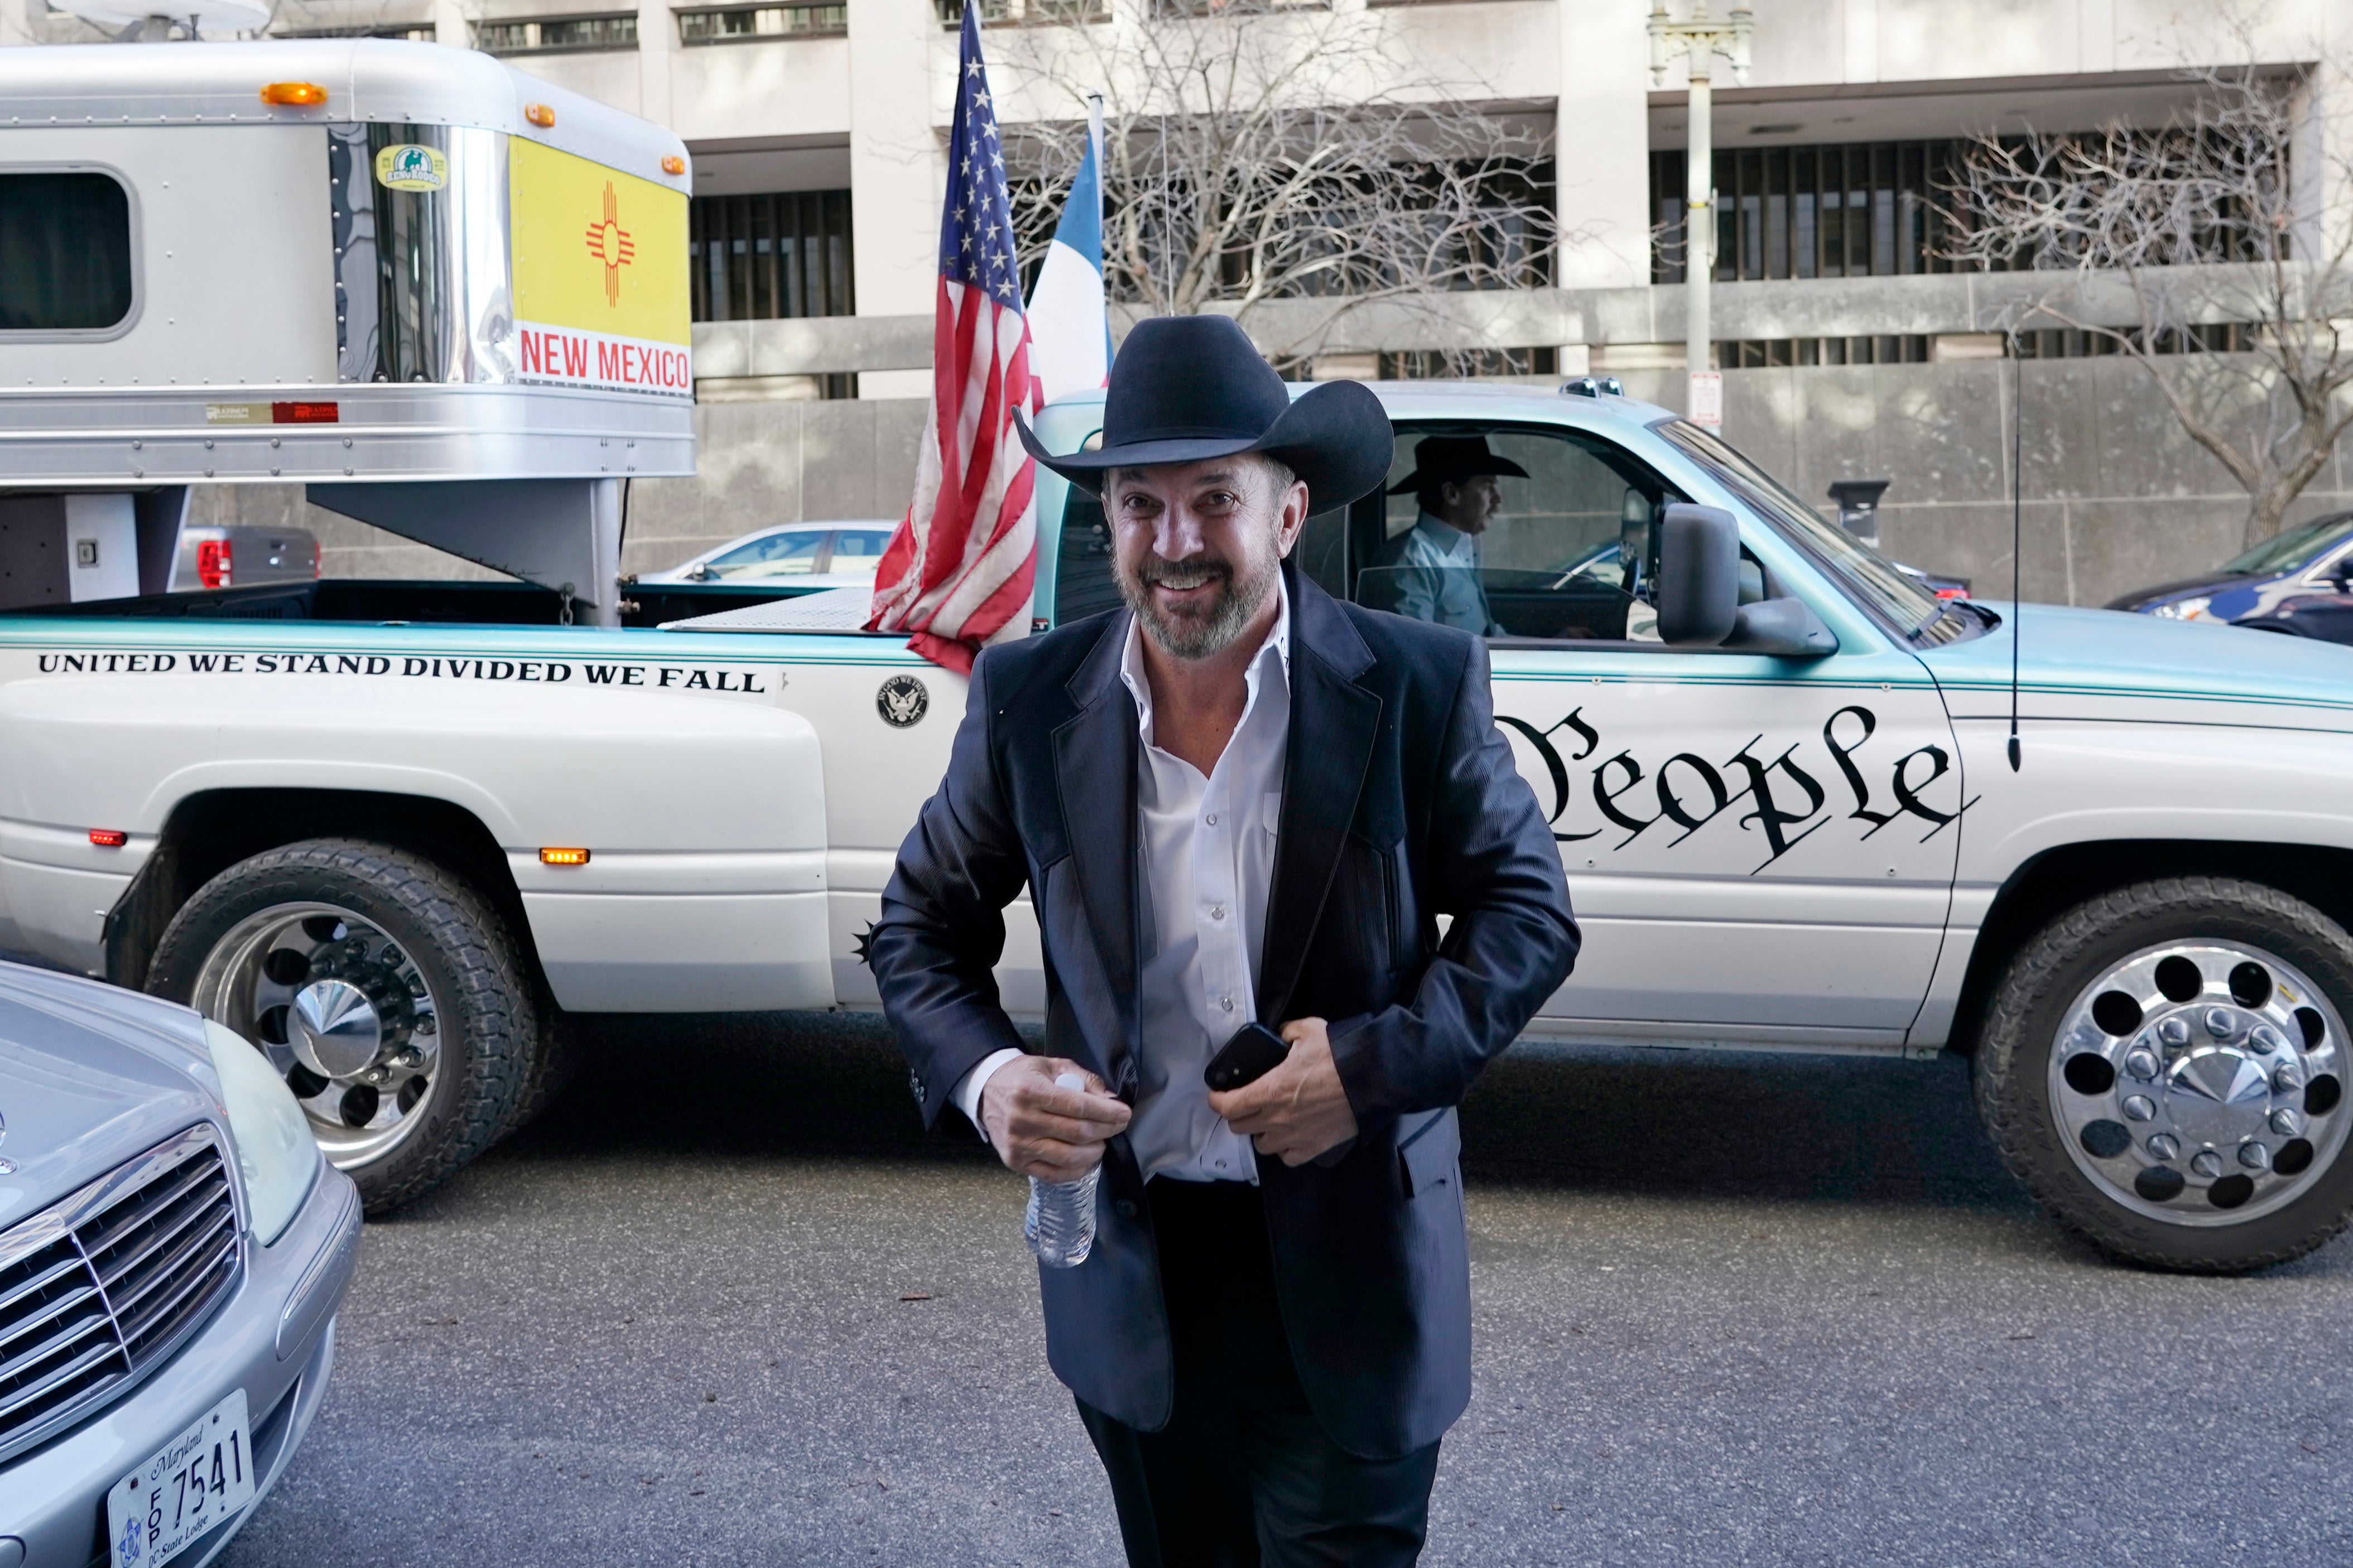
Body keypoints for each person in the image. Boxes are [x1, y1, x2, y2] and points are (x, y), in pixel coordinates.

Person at [868, 314, 1579, 1568]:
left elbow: (1527, 916)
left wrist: (1365, 1068)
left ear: (1288, 514)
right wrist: (990, 1080)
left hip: (1354, 1266)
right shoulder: (1031, 702)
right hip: (1135, 1280)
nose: (1175, 542)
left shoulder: (1412, 684)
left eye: (1214, 500)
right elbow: (919, 922)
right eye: (1139, 504)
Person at [1366, 435, 1530, 635]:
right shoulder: (1409, 562)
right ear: (1452, 494)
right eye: (1487, 486)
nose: (1498, 498)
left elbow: (1488, 636)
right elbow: (1413, 652)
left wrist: (1549, 647)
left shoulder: (1464, 549)